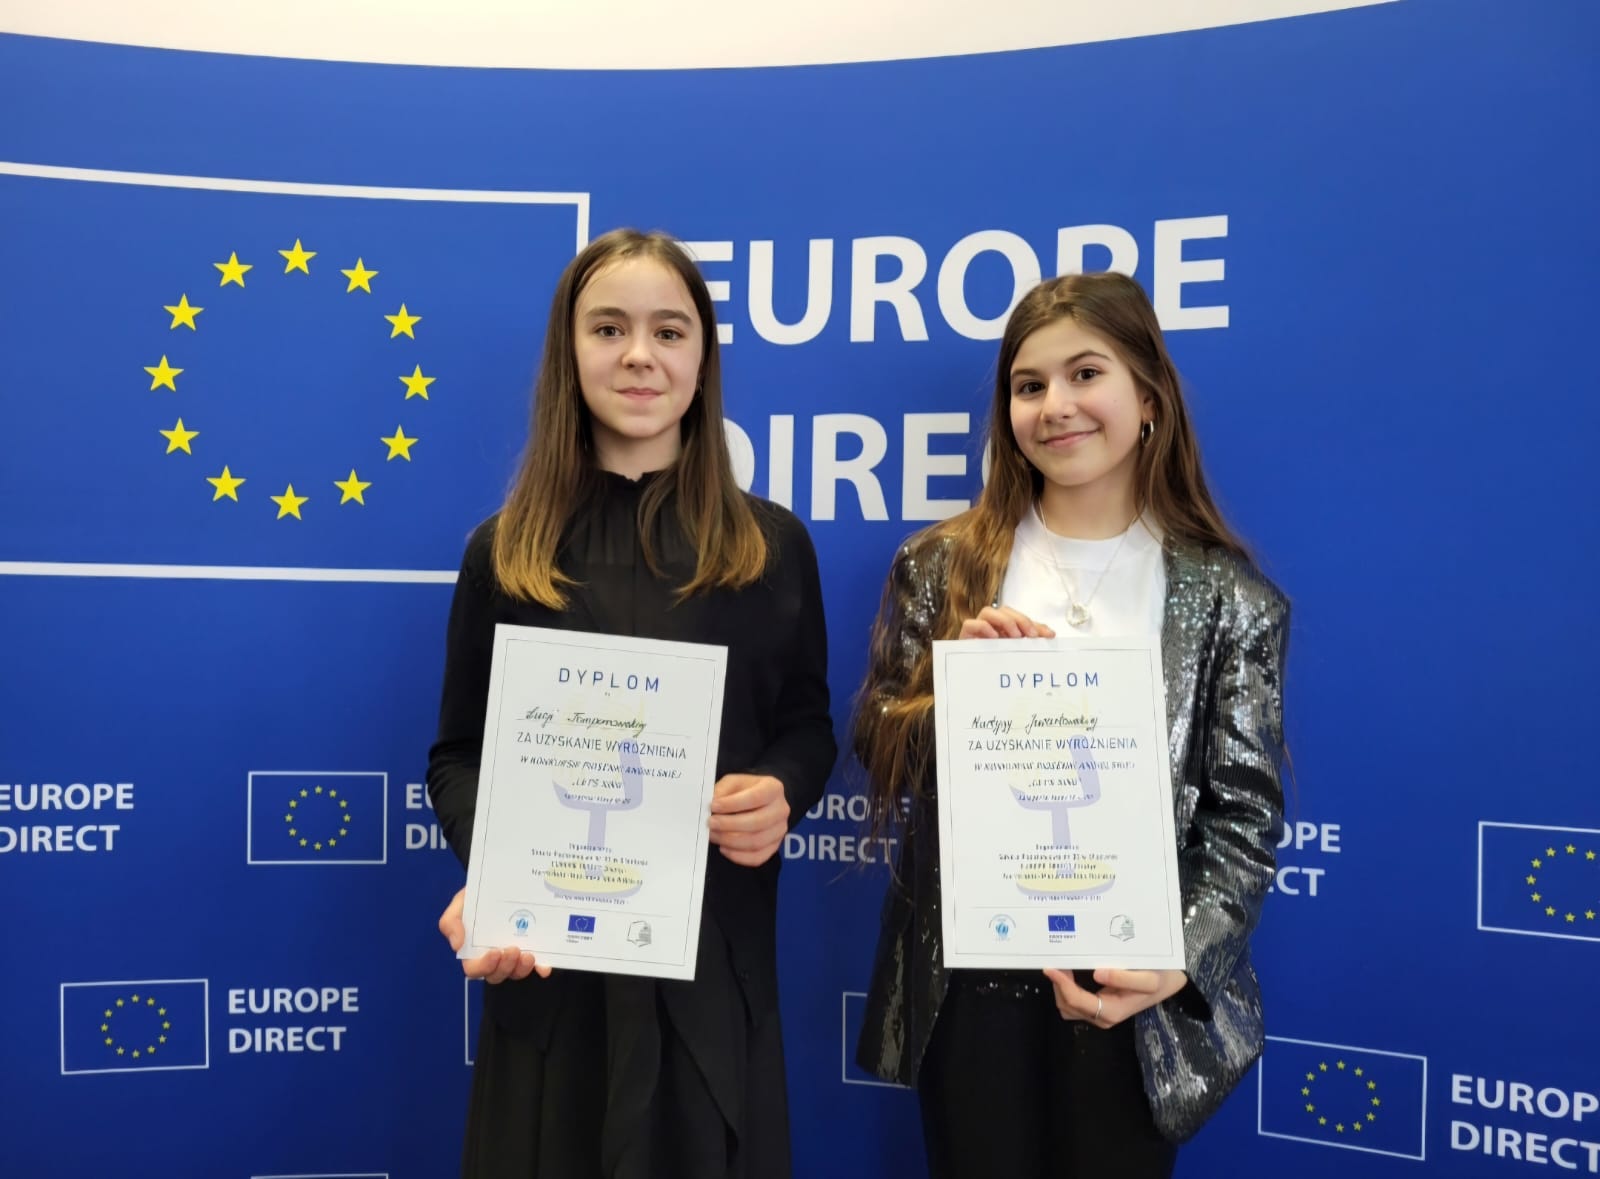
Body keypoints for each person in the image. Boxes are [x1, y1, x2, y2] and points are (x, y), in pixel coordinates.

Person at [853, 271, 1290, 1178]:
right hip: (970, 987)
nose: (1056, 405)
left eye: (1086, 374)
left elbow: (1244, 819)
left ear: (1149, 399)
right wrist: (956, 691)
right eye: (1029, 384)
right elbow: (879, 742)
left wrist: (1179, 957)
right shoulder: (939, 566)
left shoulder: (1229, 598)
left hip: (1130, 992)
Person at [427, 228, 836, 1179]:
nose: (640, 355)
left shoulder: (772, 547)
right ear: (568, 353)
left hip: (712, 971)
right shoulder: (505, 552)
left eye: (669, 331)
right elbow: (456, 755)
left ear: (703, 358)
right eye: (609, 328)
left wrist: (781, 790)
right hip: (550, 975)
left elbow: (808, 726)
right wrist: (496, 868)